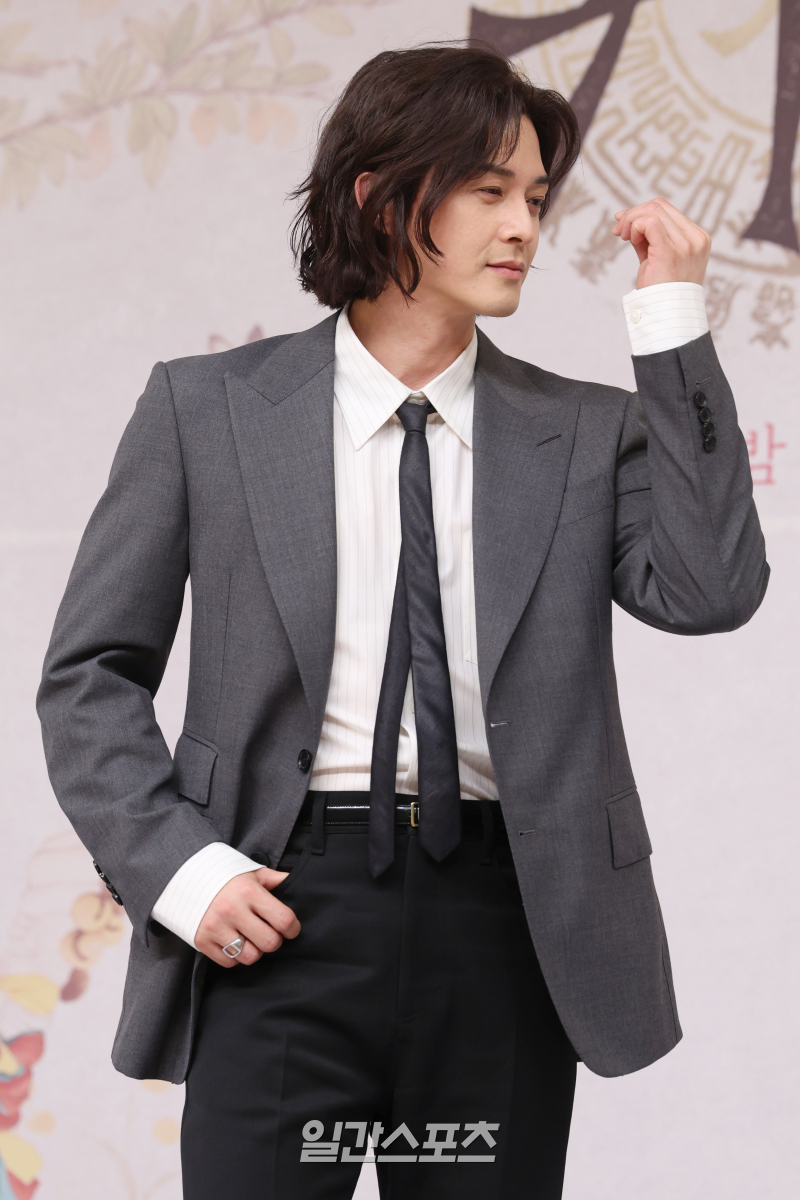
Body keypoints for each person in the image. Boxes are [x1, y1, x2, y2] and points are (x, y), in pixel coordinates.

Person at [37, 43, 768, 1200]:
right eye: (486, 190)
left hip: (506, 926)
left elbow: (711, 587)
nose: (521, 225)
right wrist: (180, 872)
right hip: (277, 916)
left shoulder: (585, 434)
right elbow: (89, 675)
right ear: (380, 196)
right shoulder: (207, 410)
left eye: (533, 196)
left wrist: (670, 324)